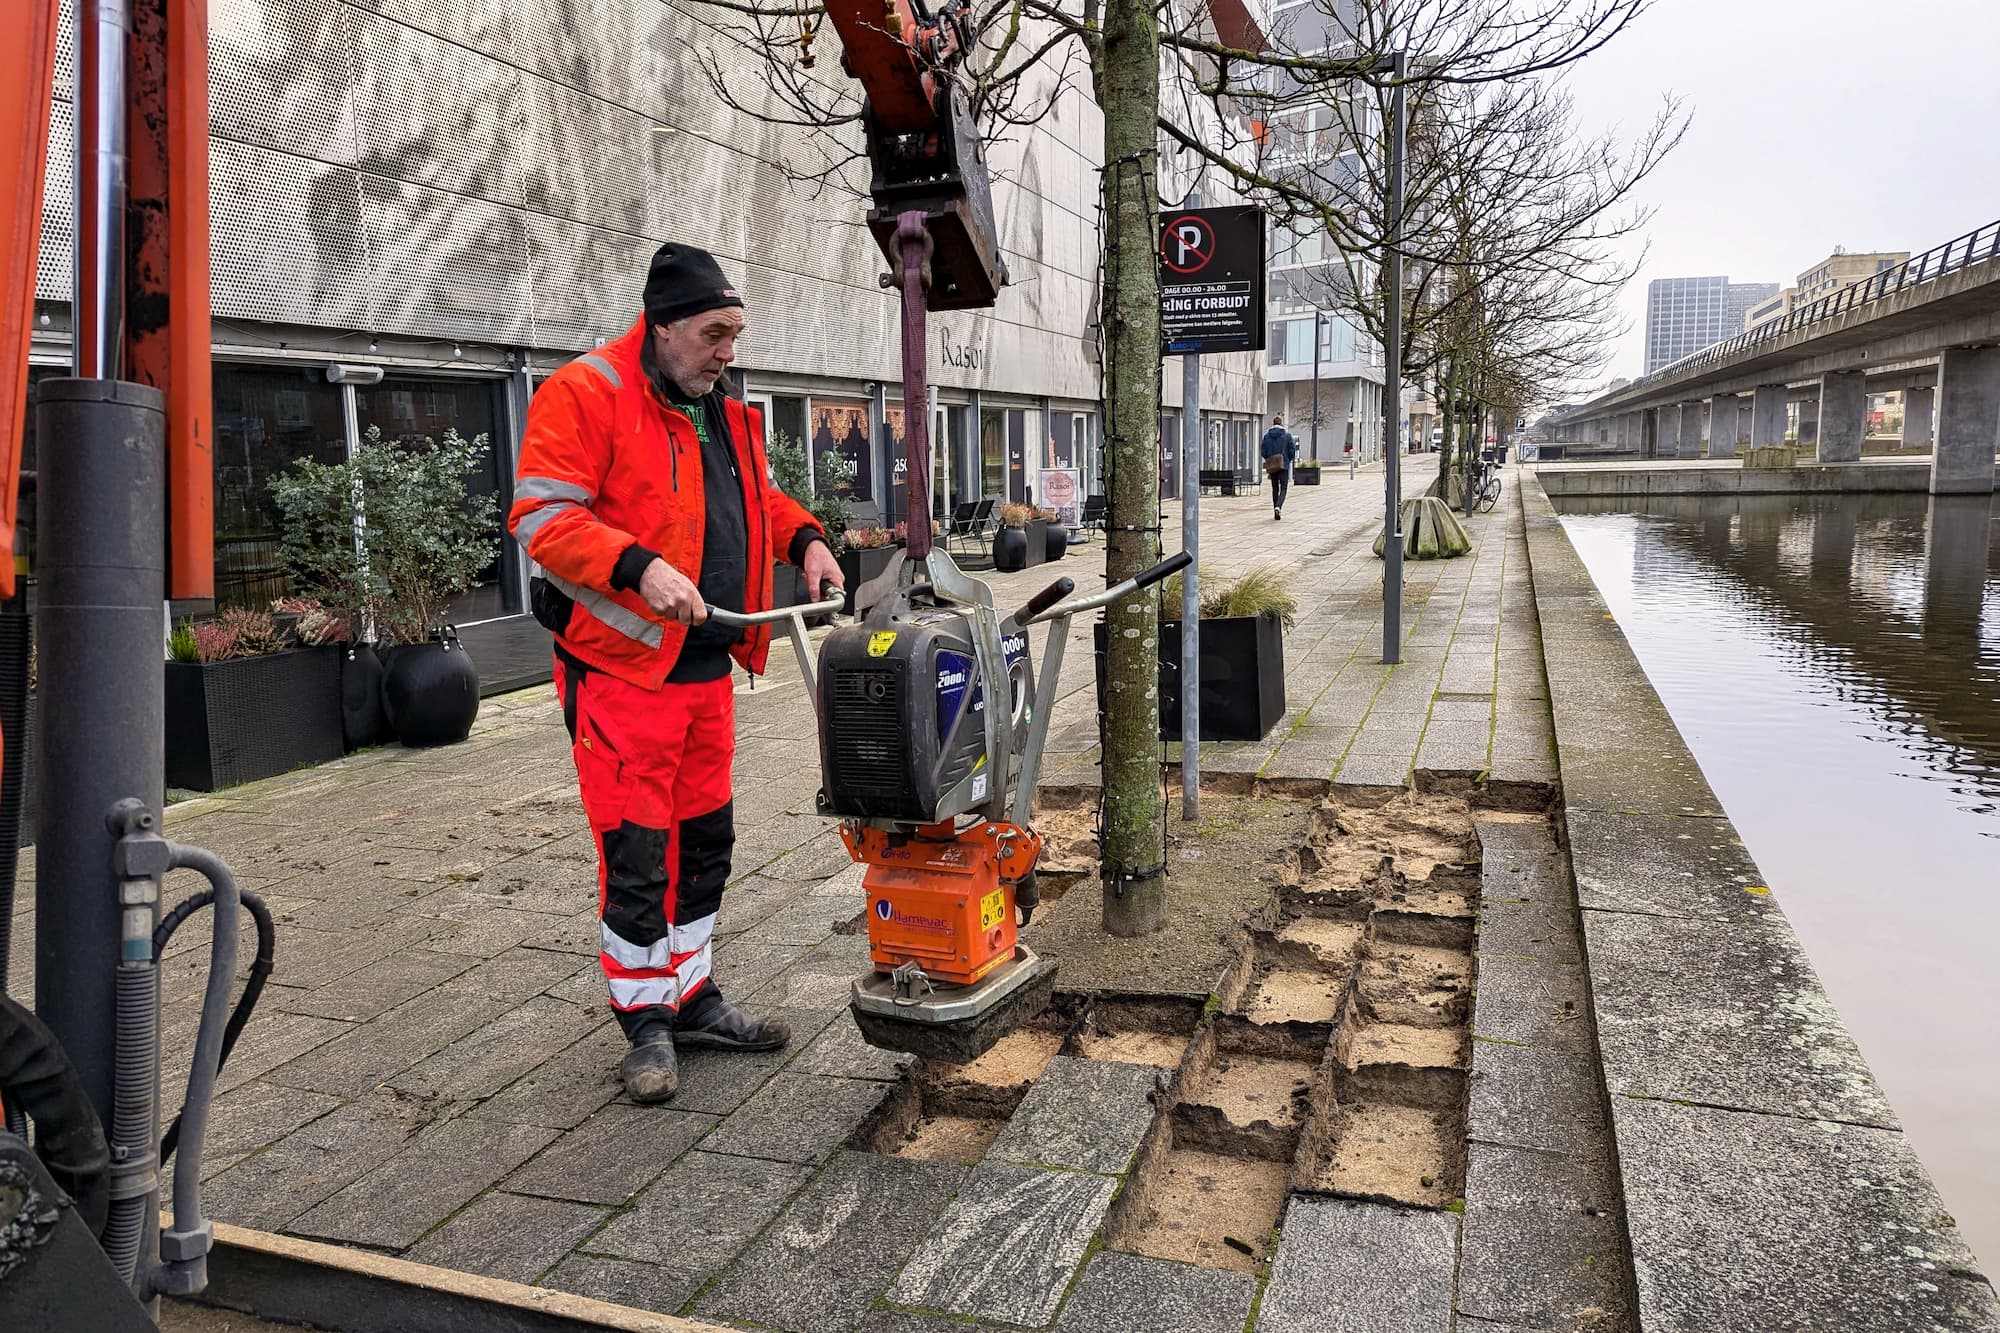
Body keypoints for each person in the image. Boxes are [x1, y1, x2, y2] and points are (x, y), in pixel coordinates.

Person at [509, 243, 845, 1104]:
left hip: (705, 671)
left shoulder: (722, 409)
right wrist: (635, 565)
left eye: (734, 333)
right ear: (661, 328)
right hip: (623, 675)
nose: (727, 350)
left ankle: (691, 994)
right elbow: (542, 517)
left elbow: (753, 502)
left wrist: (804, 540)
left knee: (704, 846)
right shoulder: (585, 394)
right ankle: (644, 1020)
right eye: (712, 333)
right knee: (637, 855)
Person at [1260, 414, 1298, 520]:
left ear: (1273, 423)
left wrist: (1269, 458)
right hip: (1283, 465)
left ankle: (1275, 509)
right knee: (1284, 488)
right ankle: (1278, 506)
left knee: (1274, 488)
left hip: (1272, 465)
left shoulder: (1267, 436)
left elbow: (1263, 451)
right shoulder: (1287, 435)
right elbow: (1292, 451)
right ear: (1281, 423)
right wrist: (1288, 460)